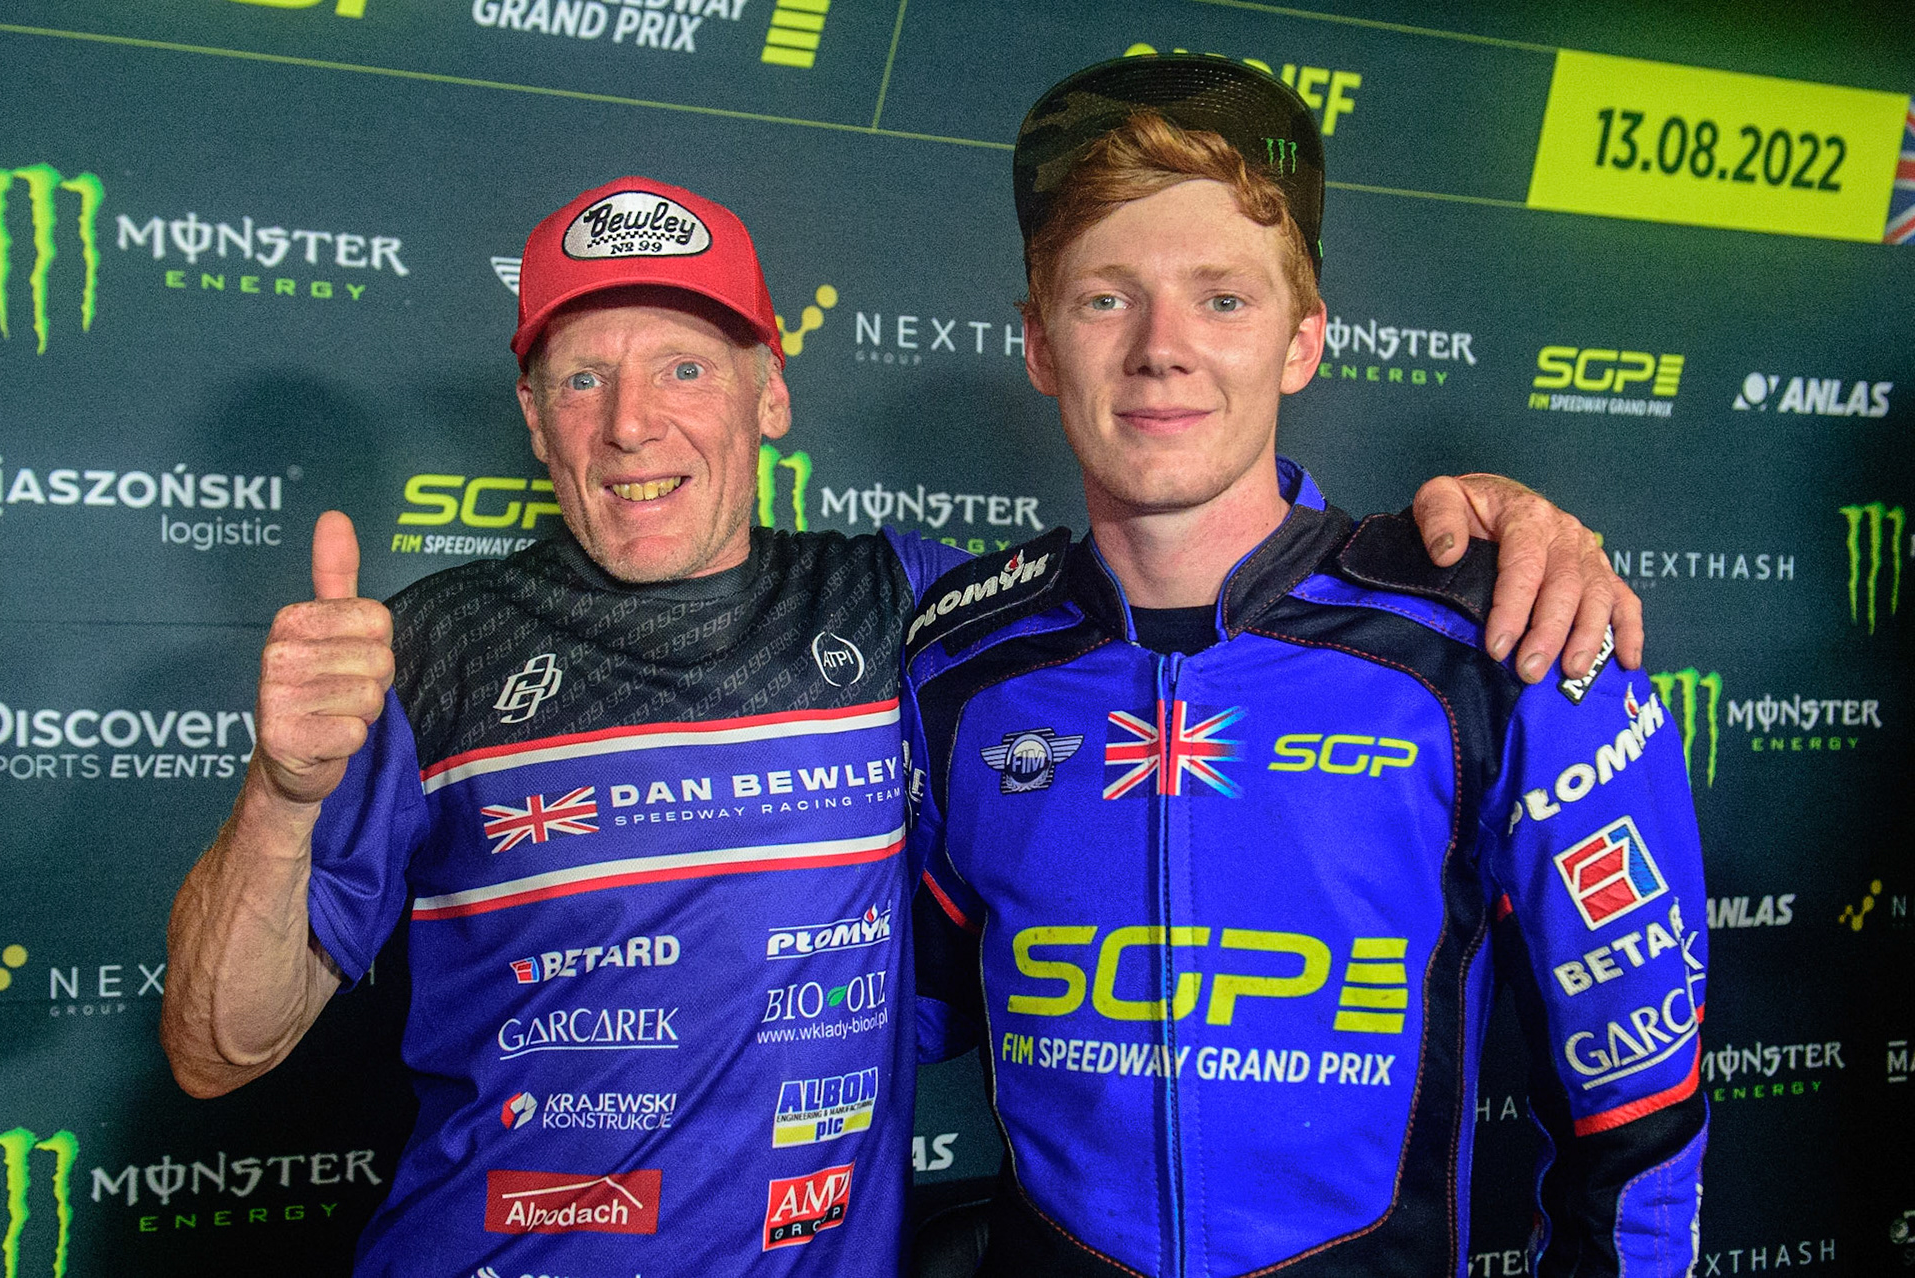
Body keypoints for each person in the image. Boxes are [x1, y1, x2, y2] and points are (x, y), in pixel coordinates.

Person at [159, 173, 1642, 1277]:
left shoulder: (917, 615)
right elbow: (220, 1051)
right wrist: (288, 793)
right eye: (583, 376)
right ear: (536, 416)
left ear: (770, 392)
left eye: (684, 366)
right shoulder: (424, 648)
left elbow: (1176, 573)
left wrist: (1499, 534)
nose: (633, 423)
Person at [905, 55, 1706, 1278]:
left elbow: (1638, 1117)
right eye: (1105, 298)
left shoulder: (1501, 636)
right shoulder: (954, 664)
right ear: (1037, 343)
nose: (1162, 350)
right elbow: (859, 1024)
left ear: (1303, 340)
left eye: (1223, 298)